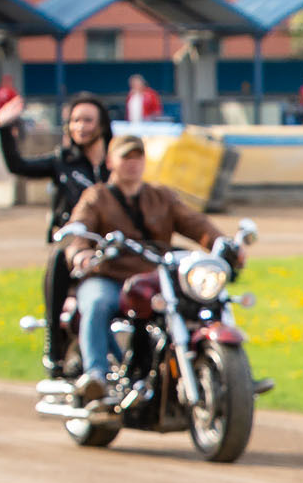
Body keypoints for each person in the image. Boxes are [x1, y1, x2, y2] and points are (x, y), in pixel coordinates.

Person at [60, 135, 221, 401]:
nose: (133, 164)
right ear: (111, 161)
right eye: (126, 158)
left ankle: (208, 368)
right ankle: (96, 375)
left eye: (138, 158)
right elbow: (79, 229)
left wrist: (223, 244)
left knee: (198, 302)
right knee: (97, 303)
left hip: (153, 279)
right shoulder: (96, 197)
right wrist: (81, 253)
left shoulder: (161, 196)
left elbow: (195, 223)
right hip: (108, 276)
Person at [0, 91, 113, 376]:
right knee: (58, 258)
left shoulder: (117, 162)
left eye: (87, 120)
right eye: (75, 121)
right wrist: (4, 129)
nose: (80, 126)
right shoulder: (62, 161)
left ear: (102, 125)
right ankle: (54, 345)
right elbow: (19, 166)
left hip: (112, 244)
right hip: (73, 245)